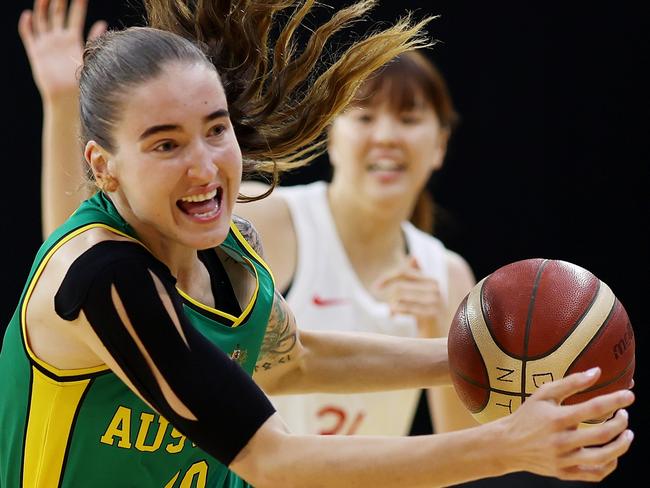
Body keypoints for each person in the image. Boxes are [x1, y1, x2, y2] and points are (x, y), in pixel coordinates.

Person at [2, 1, 634, 487]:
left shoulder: (229, 247)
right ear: (104, 167)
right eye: (165, 144)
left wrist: (485, 357)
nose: (203, 166)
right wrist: (506, 446)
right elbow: (271, 461)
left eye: (215, 130)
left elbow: (289, 360)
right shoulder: (102, 277)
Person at [236, 50, 478, 436]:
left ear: (440, 145)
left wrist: (438, 331)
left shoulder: (448, 275)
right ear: (332, 137)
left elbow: (467, 444)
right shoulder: (267, 218)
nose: (385, 137)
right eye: (364, 117)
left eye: (409, 119)